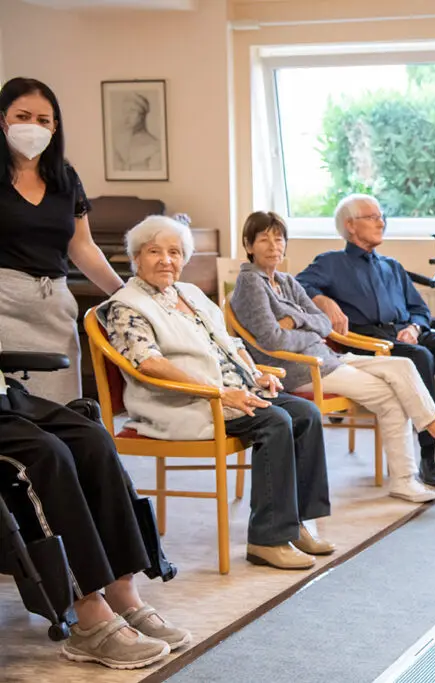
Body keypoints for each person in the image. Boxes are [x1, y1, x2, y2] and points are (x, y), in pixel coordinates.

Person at [96, 215, 335, 571]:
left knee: (306, 414)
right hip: (183, 400)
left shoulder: (188, 294)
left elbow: (230, 342)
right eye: (154, 251)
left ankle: (295, 523)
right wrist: (220, 392)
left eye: (175, 252)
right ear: (136, 258)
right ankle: (266, 539)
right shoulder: (125, 306)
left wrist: (255, 374)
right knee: (274, 420)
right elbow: (149, 364)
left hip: (230, 390)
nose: (166, 260)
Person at [230, 211, 435, 503]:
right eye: (263, 239)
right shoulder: (251, 283)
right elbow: (272, 338)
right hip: (302, 369)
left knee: (404, 365)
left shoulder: (285, 281)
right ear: (248, 244)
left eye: (278, 238)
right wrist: (304, 323)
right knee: (390, 394)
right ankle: (413, 471)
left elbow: (321, 322)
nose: (273, 246)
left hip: (328, 358)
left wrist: (295, 321)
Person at [1, 339, 189, 670]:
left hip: (5, 398)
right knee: (45, 454)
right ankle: (87, 612)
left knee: (92, 439)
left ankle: (122, 590)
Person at [296, 194, 435, 488]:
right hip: (369, 340)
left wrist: (415, 328)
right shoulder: (330, 263)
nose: (381, 222)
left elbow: (420, 309)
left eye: (382, 217)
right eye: (373, 217)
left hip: (408, 334)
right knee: (420, 358)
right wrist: (323, 299)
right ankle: (431, 454)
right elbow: (298, 286)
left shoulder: (391, 266)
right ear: (350, 226)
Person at [0, 77, 124, 404]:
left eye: (43, 120)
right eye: (22, 117)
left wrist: (124, 293)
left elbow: (82, 247)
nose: (33, 126)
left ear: (55, 127)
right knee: (15, 421)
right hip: (4, 307)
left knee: (63, 415)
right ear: (2, 119)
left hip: (54, 307)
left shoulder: (65, 178)